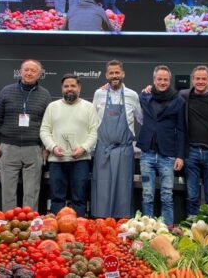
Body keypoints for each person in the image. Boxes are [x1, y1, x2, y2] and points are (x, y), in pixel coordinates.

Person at [0, 59, 51, 212]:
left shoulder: (45, 95)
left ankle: (29, 224)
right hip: (8, 147)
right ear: (20, 71)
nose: (29, 73)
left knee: (32, 191)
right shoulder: (6, 91)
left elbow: (48, 123)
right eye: (26, 70)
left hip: (34, 148)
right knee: (8, 191)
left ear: (40, 75)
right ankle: (9, 225)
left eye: (33, 71)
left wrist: (45, 147)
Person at [40, 74, 98, 217]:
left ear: (79, 88)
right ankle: (55, 230)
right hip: (57, 160)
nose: (69, 89)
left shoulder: (89, 107)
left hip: (81, 160)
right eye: (66, 86)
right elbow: (44, 130)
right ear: (62, 88)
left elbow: (94, 132)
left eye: (73, 86)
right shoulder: (52, 107)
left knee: (79, 198)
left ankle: (79, 229)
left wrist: (83, 148)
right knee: (57, 198)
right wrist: (52, 147)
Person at [91, 60, 143, 219]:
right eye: (111, 73)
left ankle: (122, 223)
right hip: (103, 149)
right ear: (106, 75)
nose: (115, 76)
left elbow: (142, 119)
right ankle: (100, 222)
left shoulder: (132, 95)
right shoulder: (98, 94)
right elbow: (92, 120)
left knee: (123, 188)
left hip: (124, 150)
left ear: (123, 74)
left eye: (117, 72)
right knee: (102, 187)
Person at [136, 65, 185, 226]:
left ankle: (167, 229)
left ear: (169, 80)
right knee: (147, 195)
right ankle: (147, 231)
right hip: (147, 154)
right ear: (154, 80)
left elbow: (181, 130)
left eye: (165, 79)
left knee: (166, 196)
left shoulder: (178, 100)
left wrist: (179, 155)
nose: (162, 82)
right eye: (159, 79)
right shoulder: (145, 96)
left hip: (168, 155)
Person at [179, 66, 208, 216]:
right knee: (192, 196)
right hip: (191, 152)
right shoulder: (183, 95)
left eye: (203, 79)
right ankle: (192, 229)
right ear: (192, 80)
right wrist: (148, 89)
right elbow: (164, 94)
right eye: (197, 78)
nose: (200, 81)